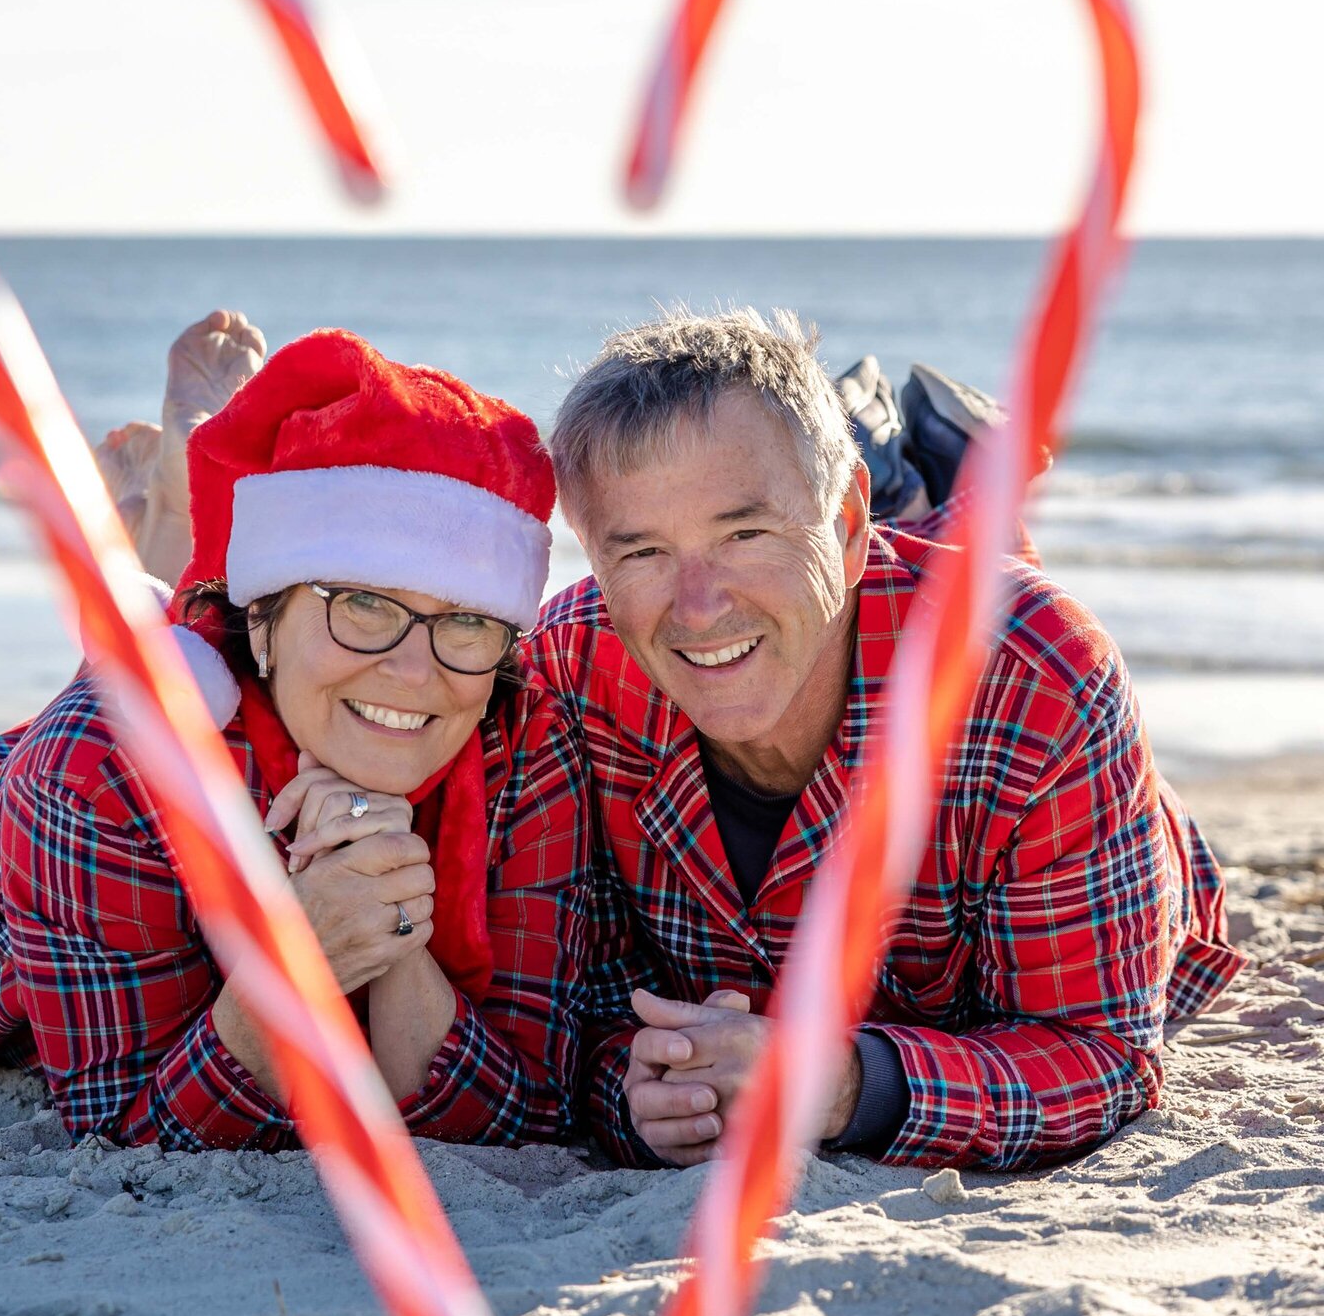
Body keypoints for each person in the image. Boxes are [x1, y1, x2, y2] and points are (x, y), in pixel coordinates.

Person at [533, 307, 1245, 1172]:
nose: (696, 604)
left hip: (1081, 811)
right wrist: (642, 1094)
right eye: (641, 551)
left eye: (743, 533)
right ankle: (911, 473)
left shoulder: (1039, 680)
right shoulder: (568, 668)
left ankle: (945, 479)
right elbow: (559, 1022)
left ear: (842, 525)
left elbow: (1102, 1056)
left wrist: (839, 1086)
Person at [0, 329, 606, 1151]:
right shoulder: (96, 773)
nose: (415, 671)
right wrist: (302, 962)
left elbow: (530, 1113)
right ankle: (160, 535)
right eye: (363, 604)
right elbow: (129, 1127)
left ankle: (163, 545)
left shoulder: (526, 739)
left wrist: (392, 934)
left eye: (469, 620)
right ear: (263, 615)